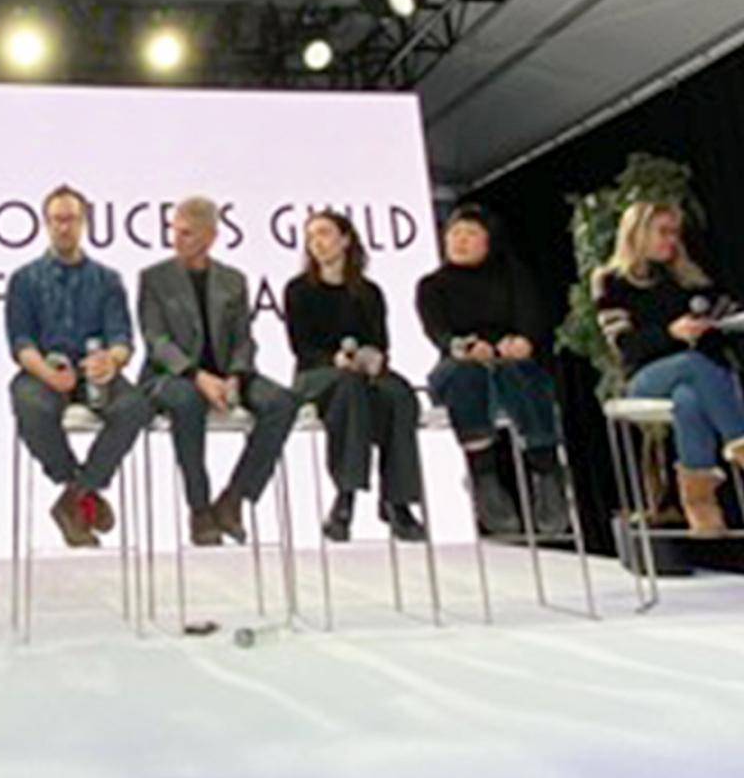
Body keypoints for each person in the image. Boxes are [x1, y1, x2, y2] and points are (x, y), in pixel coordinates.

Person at [140, 197, 297, 545]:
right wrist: (197, 376)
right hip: (174, 376)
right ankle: (199, 509)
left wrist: (237, 377)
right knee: (187, 402)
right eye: (174, 232)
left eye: (187, 234)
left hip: (229, 372)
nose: (176, 240)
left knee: (283, 403)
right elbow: (157, 341)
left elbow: (244, 338)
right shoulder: (154, 279)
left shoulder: (233, 280)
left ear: (210, 236)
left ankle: (234, 498)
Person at [7, 184, 150, 548]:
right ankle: (78, 488)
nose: (64, 227)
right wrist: (47, 373)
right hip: (44, 370)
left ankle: (76, 496)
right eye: (57, 220)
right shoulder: (24, 279)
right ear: (46, 224)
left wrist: (111, 361)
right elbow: (20, 343)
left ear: (84, 222)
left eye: (70, 219)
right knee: (30, 404)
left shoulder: (107, 279)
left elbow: (123, 340)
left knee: (135, 406)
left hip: (94, 371)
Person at [416, 204, 568, 537]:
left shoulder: (513, 275)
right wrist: (464, 347)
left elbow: (532, 320)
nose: (460, 241)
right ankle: (484, 478)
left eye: (470, 234)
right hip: (458, 361)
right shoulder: (432, 284)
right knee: (466, 375)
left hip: (507, 357)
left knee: (520, 373)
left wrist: (522, 341)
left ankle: (546, 472)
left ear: (488, 241)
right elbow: (437, 331)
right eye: (454, 234)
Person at [594, 201, 744, 536]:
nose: (671, 240)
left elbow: (719, 322)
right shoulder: (611, 282)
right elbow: (625, 344)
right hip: (645, 377)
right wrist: (670, 333)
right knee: (692, 367)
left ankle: (700, 502)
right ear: (638, 233)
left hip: (694, 373)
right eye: (662, 232)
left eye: (674, 233)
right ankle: (740, 441)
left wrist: (713, 326)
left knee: (688, 398)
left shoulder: (688, 277)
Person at [284, 209, 426, 543]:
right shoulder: (298, 290)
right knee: (349, 389)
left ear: (345, 239)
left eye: (324, 233)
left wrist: (372, 358)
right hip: (316, 376)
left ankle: (398, 499)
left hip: (362, 373)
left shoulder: (368, 292)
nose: (317, 242)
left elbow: (380, 341)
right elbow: (301, 347)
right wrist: (335, 360)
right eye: (311, 236)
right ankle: (345, 497)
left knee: (400, 395)